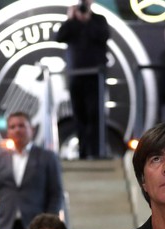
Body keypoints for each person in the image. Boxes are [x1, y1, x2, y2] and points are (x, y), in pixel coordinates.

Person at [55, 0, 109, 159]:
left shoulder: (99, 20)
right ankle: (83, 153)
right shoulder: (72, 23)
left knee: (95, 115)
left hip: (94, 77)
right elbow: (59, 37)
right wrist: (70, 18)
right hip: (76, 76)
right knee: (79, 116)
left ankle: (97, 152)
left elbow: (103, 36)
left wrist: (87, 20)